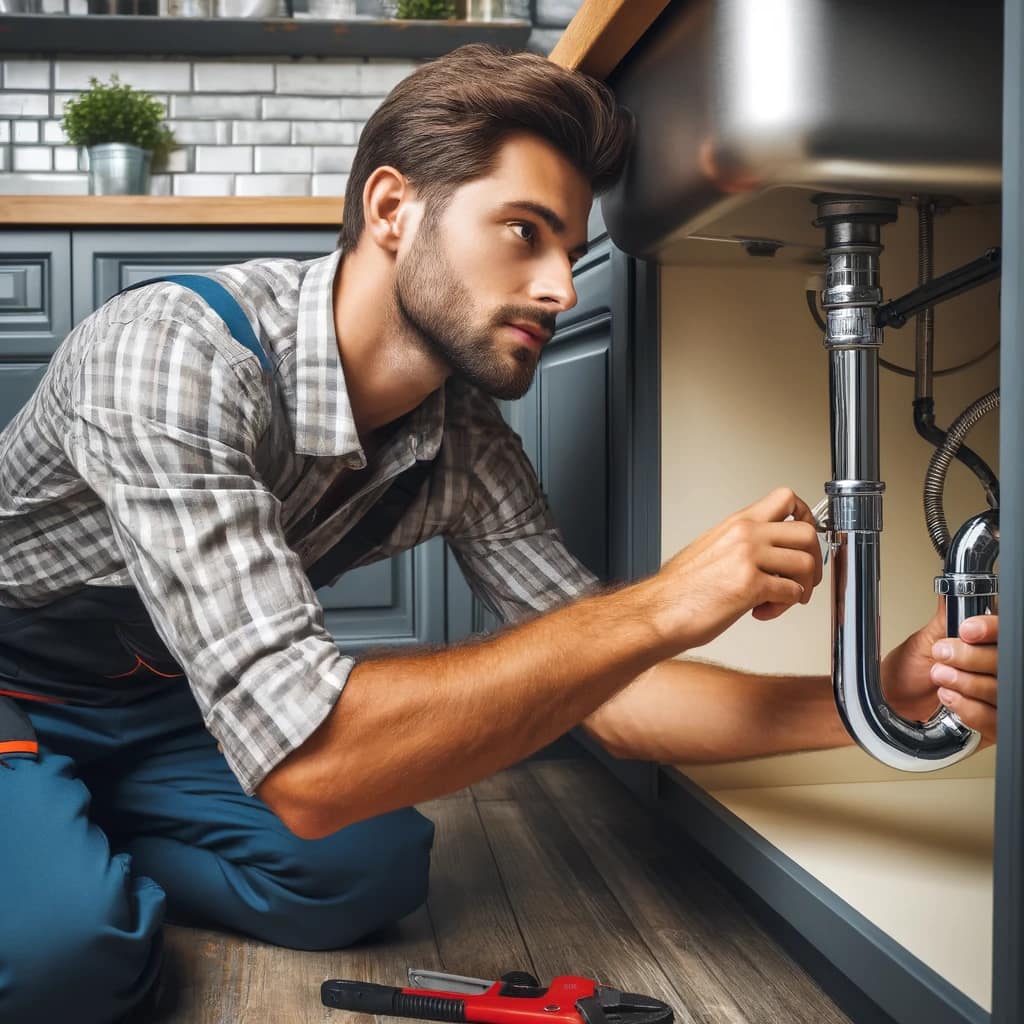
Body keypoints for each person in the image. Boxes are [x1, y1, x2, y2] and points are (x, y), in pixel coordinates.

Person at [0, 44, 998, 1024]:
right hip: (16, 682)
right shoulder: (172, 357)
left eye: (569, 246)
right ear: (393, 209)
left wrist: (876, 696)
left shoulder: (466, 444)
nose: (561, 287)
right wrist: (662, 602)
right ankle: (53, 841)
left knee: (369, 869)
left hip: (169, 701)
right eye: (524, 231)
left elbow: (616, 700)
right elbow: (308, 766)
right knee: (75, 960)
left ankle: (71, 823)